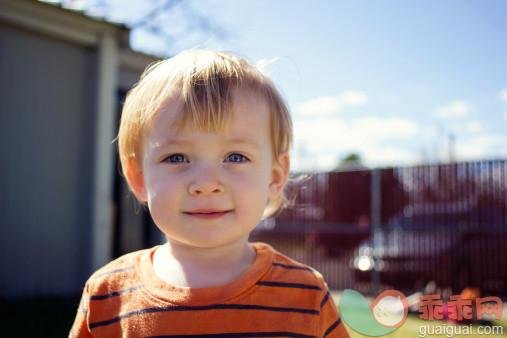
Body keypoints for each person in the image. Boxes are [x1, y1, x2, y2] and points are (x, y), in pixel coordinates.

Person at [70, 50, 349, 337]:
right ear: (139, 178)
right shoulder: (107, 295)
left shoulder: (306, 297)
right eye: (177, 157)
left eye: (236, 156)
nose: (206, 183)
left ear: (275, 177)